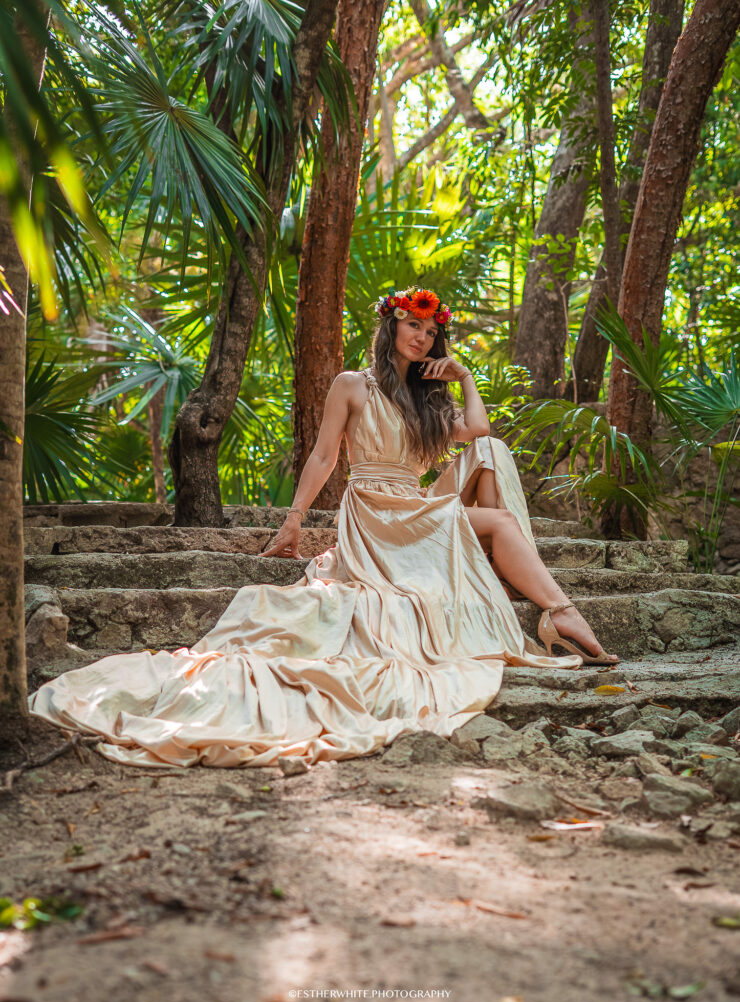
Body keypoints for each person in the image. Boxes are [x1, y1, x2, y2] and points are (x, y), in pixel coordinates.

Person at [28, 286, 617, 770]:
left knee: (494, 457)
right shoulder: (352, 385)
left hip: (414, 505)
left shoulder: (430, 400)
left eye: (432, 331)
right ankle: (556, 609)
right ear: (391, 328)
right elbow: (322, 458)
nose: (423, 336)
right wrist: (293, 522)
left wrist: (462, 376)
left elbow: (480, 432)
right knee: (500, 518)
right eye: (413, 325)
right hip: (375, 512)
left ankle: (517, 592)